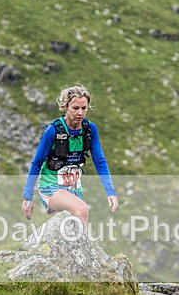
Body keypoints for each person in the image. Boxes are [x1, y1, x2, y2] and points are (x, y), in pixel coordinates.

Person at [21, 85, 118, 226]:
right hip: (51, 186)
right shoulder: (53, 131)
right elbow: (36, 163)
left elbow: (100, 161)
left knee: (69, 226)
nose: (80, 113)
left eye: (84, 108)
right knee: (82, 209)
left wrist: (110, 191)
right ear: (65, 107)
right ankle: (83, 248)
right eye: (75, 108)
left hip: (74, 189)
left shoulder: (90, 129)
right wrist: (27, 197)